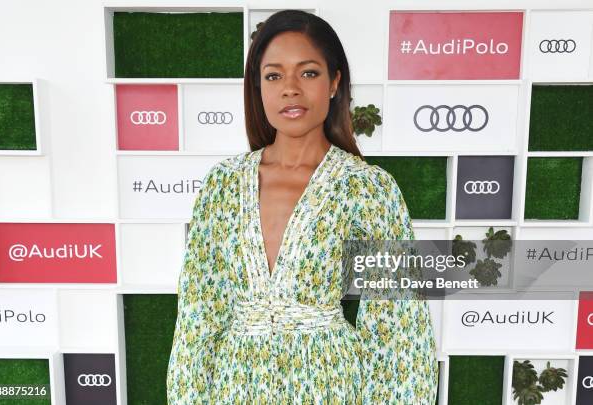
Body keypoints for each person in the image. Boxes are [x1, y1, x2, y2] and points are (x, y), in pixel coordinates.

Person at [166, 9, 438, 404]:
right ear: (257, 88)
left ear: (334, 83)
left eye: (308, 73)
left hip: (330, 384)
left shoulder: (368, 188)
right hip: (235, 386)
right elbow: (199, 312)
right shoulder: (222, 184)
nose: (290, 89)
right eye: (273, 75)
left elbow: (398, 325)